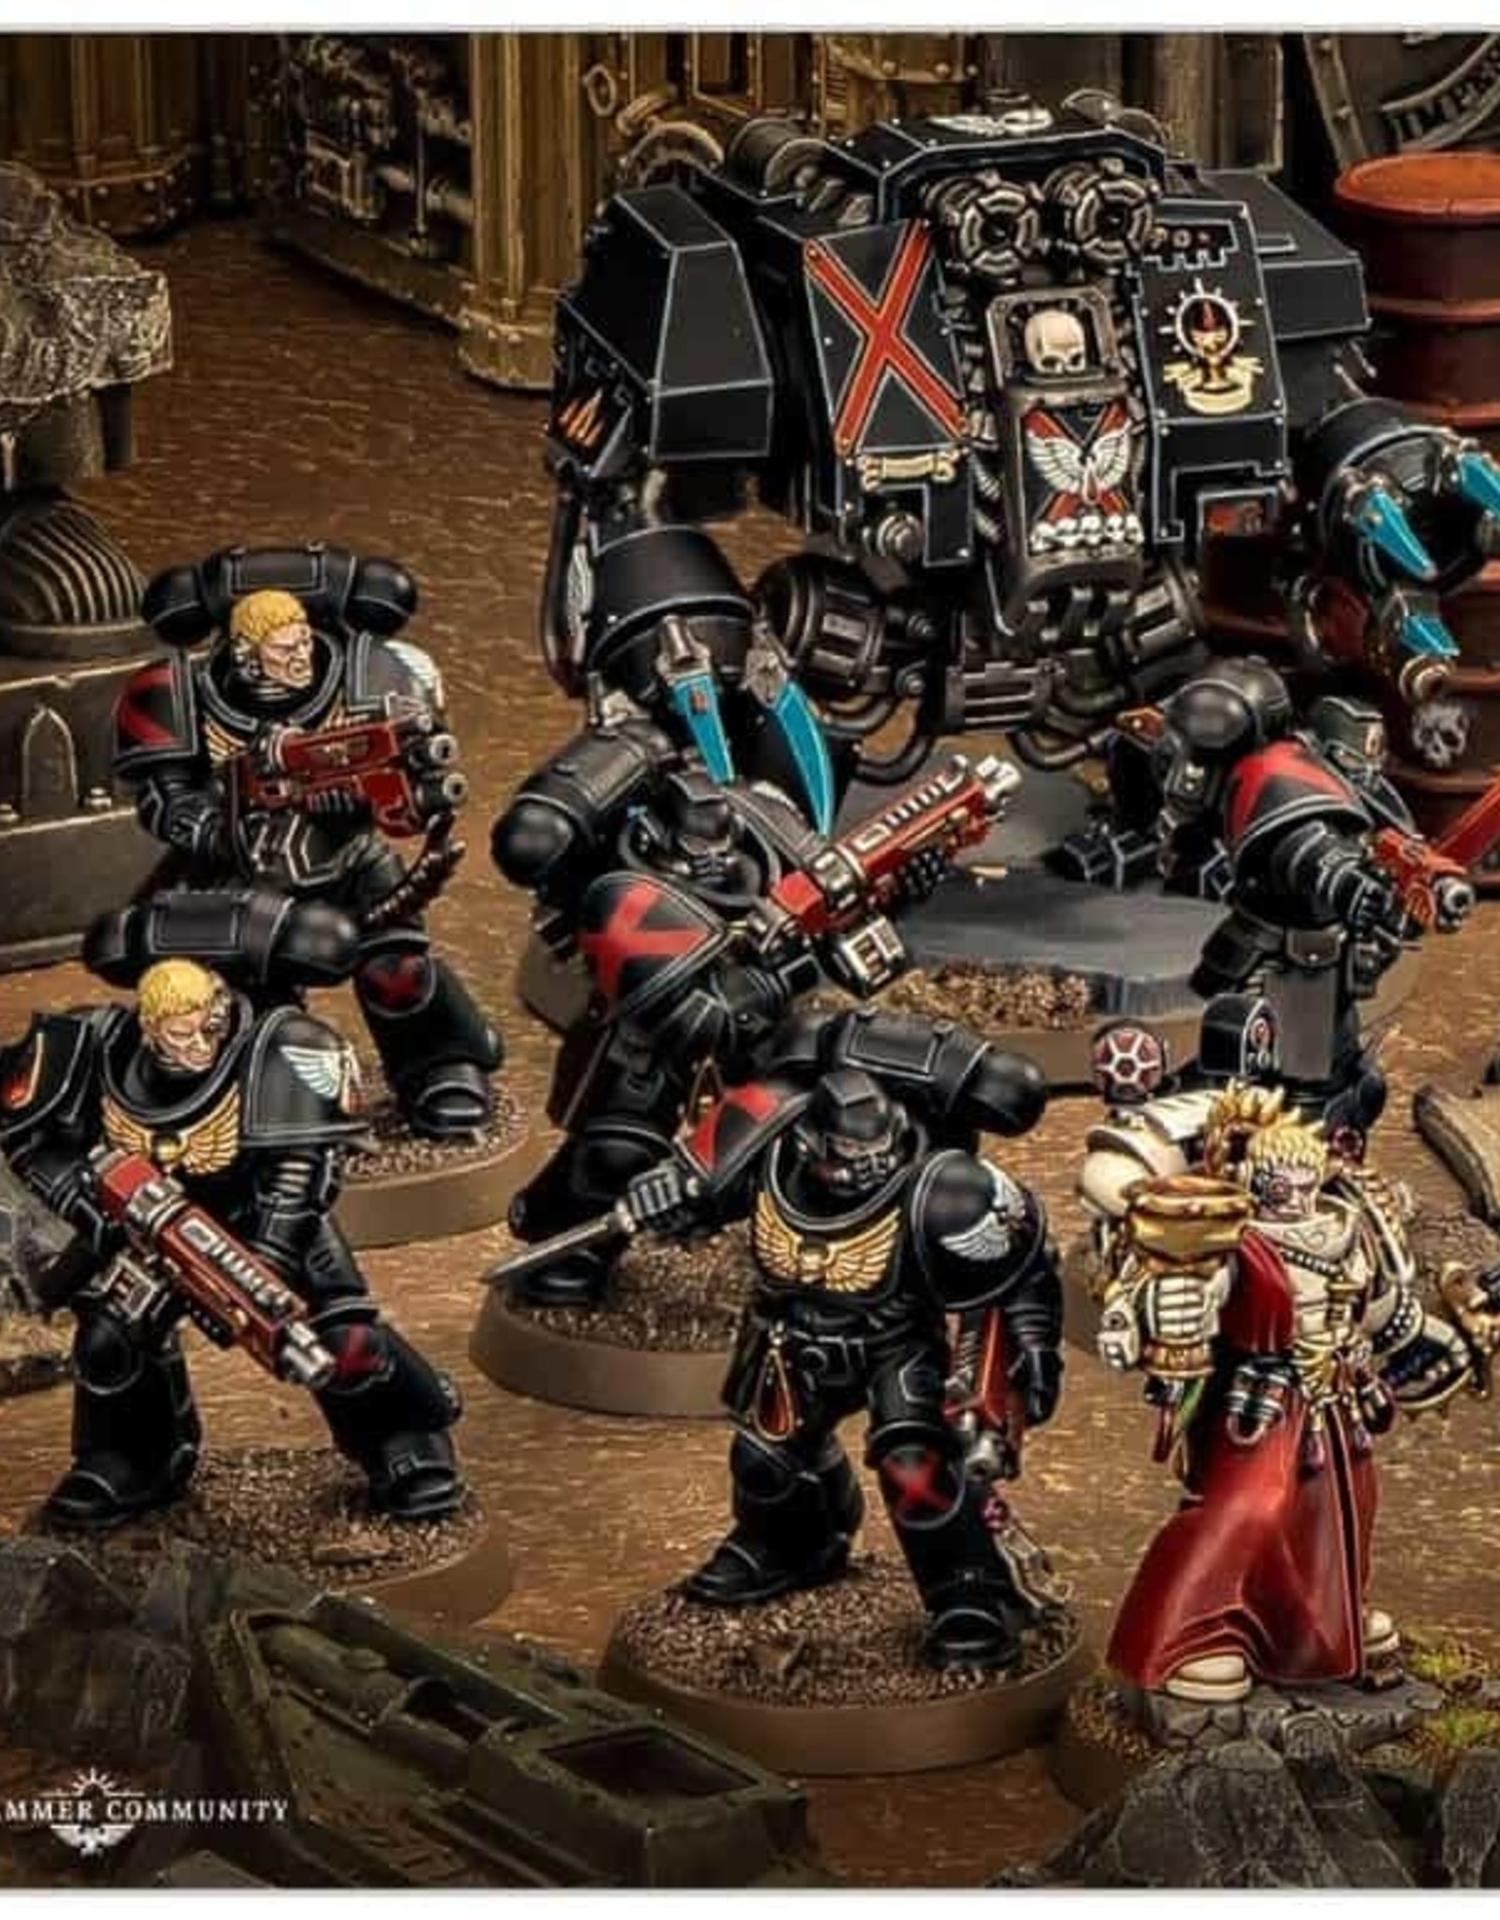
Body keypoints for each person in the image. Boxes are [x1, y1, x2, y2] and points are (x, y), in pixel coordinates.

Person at [0, 959, 465, 1529]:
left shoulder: (281, 1047)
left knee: (345, 1342)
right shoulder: (92, 1043)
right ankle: (132, 1460)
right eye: (182, 1034)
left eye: (211, 1028)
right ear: (150, 1027)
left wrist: (264, 1263)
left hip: (260, 1225)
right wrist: (91, 1209)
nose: (201, 1045)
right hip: (132, 1229)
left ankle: (406, 1442)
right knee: (107, 1344)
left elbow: (300, 1170)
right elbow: (30, 1141)